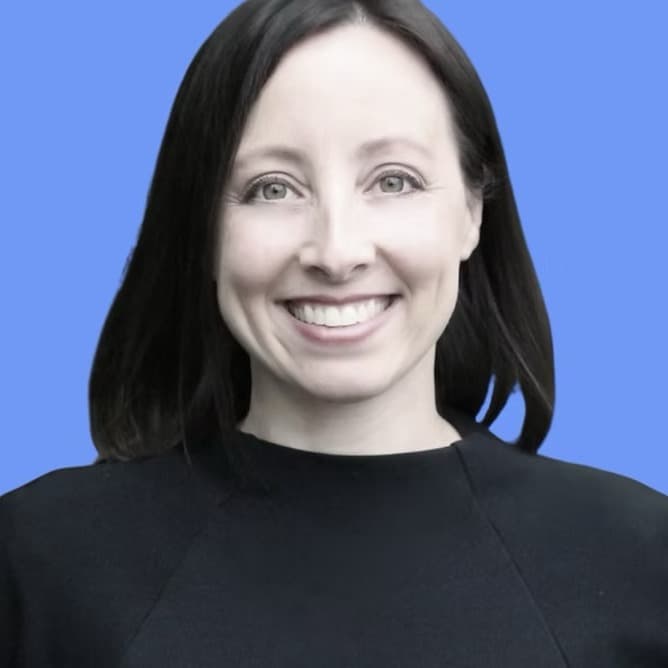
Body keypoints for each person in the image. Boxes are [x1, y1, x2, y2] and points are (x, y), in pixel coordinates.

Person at [1, 0, 666, 665]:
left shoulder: (639, 558)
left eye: (394, 180)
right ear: (201, 229)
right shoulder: (39, 562)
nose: (337, 251)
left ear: (472, 211)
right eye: (273, 189)